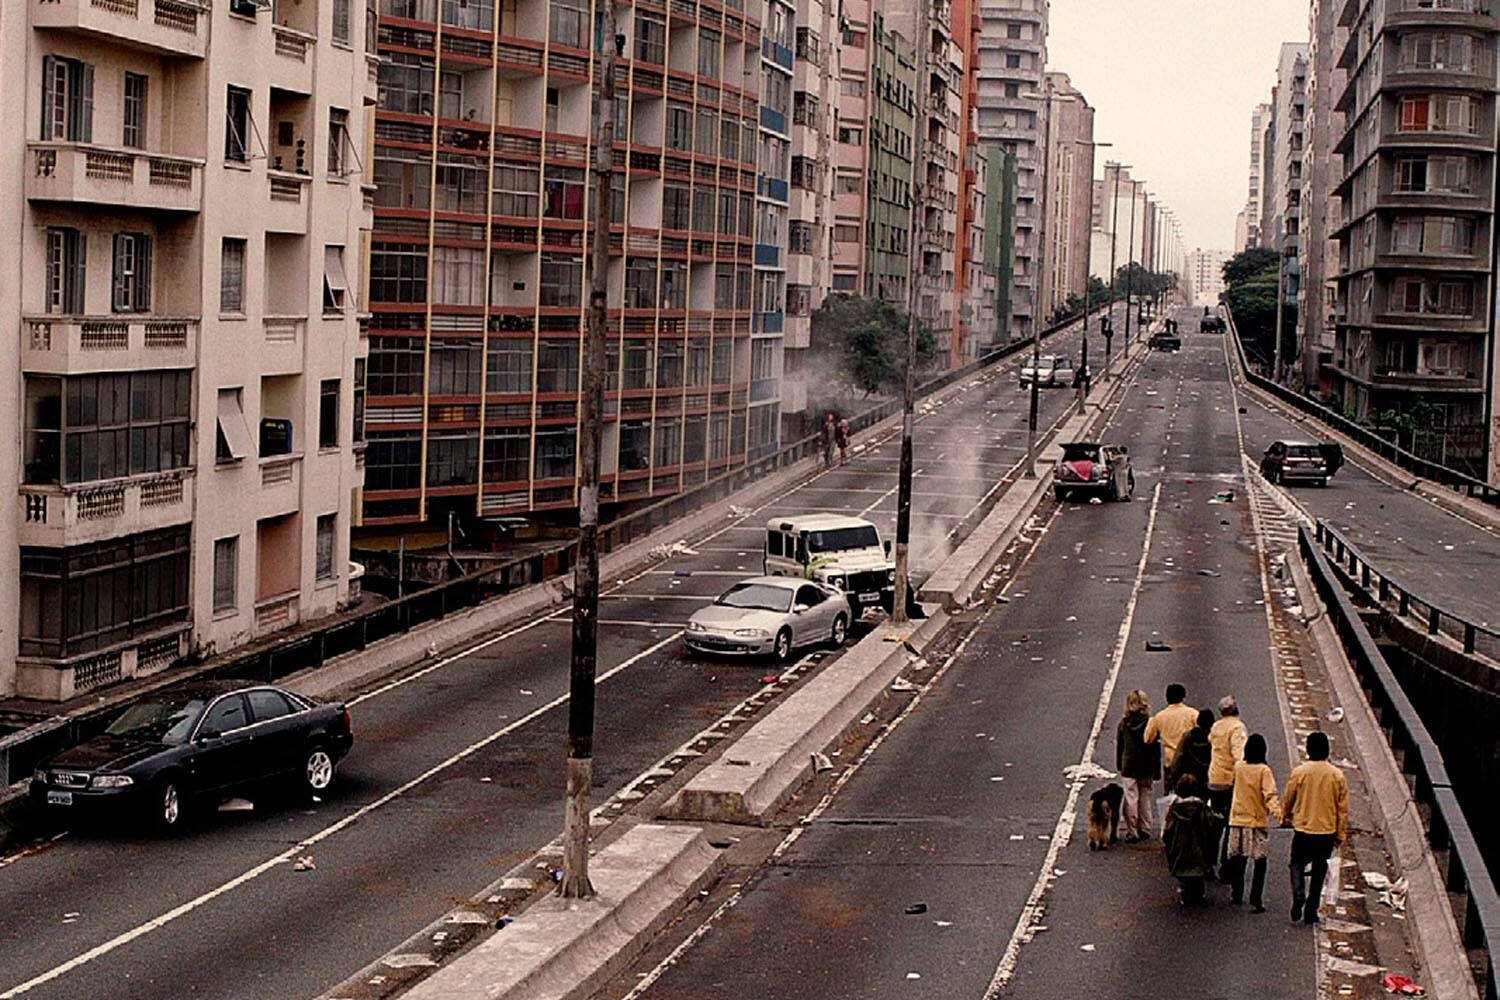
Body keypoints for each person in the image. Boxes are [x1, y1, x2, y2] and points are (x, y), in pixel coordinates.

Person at [1282, 731, 1349, 925]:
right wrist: (1340, 834)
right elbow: (1342, 809)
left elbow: (1289, 797)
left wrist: (1285, 815)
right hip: (1326, 831)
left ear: (1308, 750)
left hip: (1303, 828)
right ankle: (1311, 911)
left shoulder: (1300, 772)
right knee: (1319, 871)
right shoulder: (1337, 776)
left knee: (1296, 863)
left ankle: (1298, 892)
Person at [1225, 733, 1281, 912]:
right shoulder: (1264, 771)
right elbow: (1270, 795)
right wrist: (1279, 815)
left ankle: (1236, 893)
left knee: (1238, 858)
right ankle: (1256, 897)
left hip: (1238, 819)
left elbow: (1232, 784)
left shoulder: (1239, 767)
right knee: (1260, 860)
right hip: (1256, 821)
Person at [1115, 689, 1162, 843]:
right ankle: (1145, 828)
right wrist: (1156, 770)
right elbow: (1155, 747)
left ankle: (1132, 830)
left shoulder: (1124, 723)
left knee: (1131, 798)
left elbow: (1120, 746)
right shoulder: (1150, 722)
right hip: (1146, 764)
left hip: (1129, 765)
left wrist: (1120, 765)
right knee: (1145, 797)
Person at [1163, 774, 1217, 907]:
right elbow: (1211, 825)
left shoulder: (1174, 810)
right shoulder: (1201, 808)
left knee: (1184, 873)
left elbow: (1167, 831)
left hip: (1180, 848)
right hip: (1199, 848)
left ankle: (1185, 894)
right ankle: (1199, 895)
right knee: (1198, 874)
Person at [1208, 696, 1249, 870]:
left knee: (1215, 824)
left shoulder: (1216, 726)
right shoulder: (1237, 728)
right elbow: (1239, 756)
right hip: (1229, 781)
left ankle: (1208, 860)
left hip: (1214, 778)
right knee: (1231, 823)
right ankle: (1227, 863)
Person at [1143, 683, 1197, 778]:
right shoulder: (1193, 714)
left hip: (1171, 762)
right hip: (1190, 760)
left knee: (1170, 790)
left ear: (1167, 698)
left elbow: (1147, 739)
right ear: (1183, 697)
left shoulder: (1160, 717)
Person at [1166, 707, 1215, 796]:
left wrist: (1173, 775)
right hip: (1206, 778)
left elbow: (1178, 757)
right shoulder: (1213, 738)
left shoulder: (1188, 736)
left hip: (1189, 777)